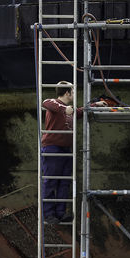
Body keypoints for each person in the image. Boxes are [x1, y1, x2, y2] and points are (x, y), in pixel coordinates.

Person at [41, 81, 77, 221]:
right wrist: (64, 109)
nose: (74, 94)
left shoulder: (69, 110)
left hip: (65, 149)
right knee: (51, 181)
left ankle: (60, 213)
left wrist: (94, 105)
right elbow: (46, 102)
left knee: (64, 182)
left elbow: (78, 112)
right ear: (67, 93)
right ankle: (49, 214)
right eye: (73, 92)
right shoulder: (55, 104)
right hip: (52, 147)